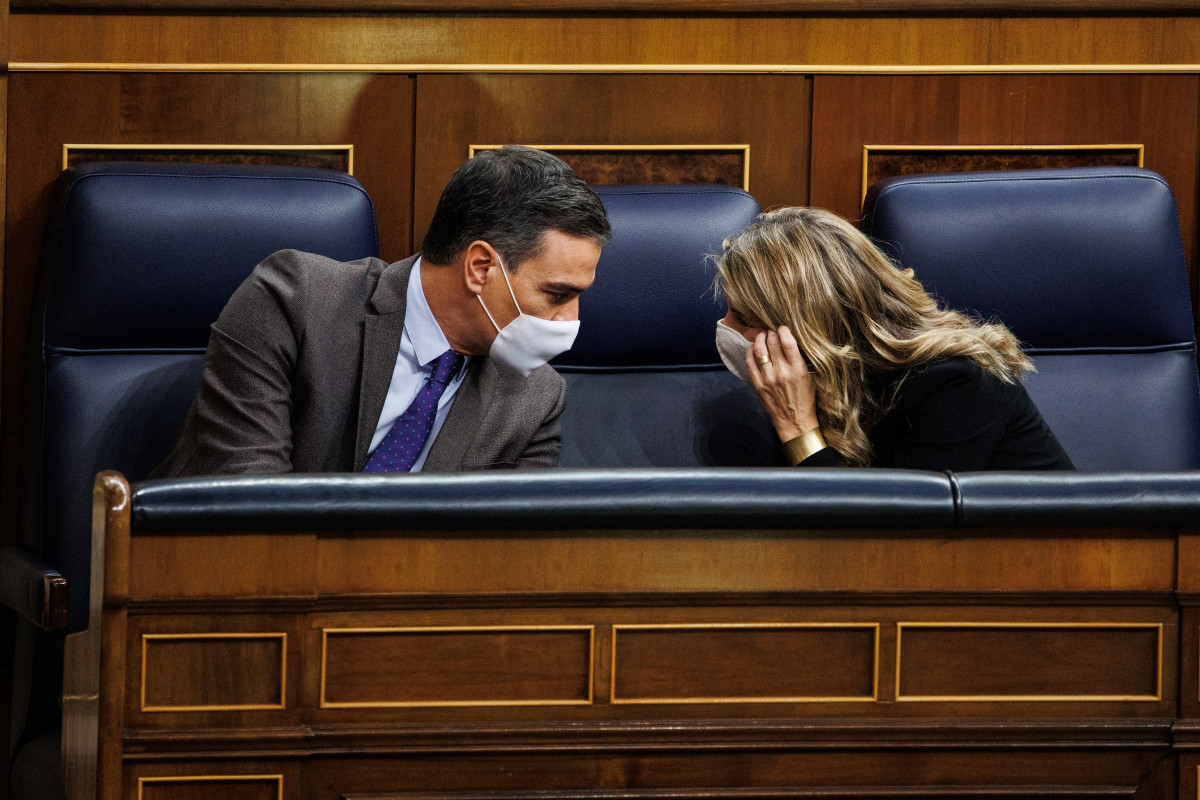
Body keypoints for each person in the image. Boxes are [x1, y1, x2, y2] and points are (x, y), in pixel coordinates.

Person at [152, 146, 611, 476]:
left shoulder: (536, 398)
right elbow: (250, 507)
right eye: (556, 294)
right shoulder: (294, 304)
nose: (571, 321)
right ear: (480, 267)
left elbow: (501, 558)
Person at [713, 206, 1074, 471]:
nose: (726, 328)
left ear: (810, 327)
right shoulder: (825, 380)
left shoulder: (954, 384)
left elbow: (878, 551)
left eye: (744, 319)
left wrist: (797, 428)